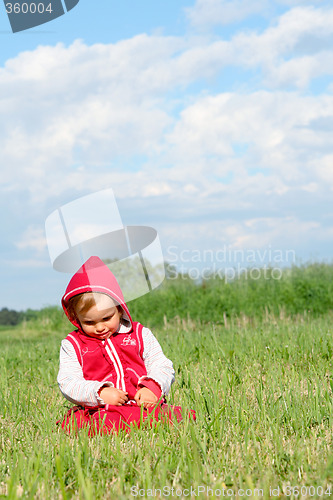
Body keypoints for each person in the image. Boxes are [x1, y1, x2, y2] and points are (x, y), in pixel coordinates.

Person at [57, 255, 190, 435]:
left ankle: (141, 421)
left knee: (177, 416)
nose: (100, 327)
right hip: (101, 409)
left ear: (119, 309)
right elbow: (68, 382)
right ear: (75, 317)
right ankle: (118, 426)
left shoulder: (139, 334)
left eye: (106, 318)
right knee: (90, 424)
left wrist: (153, 388)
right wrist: (100, 393)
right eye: (89, 322)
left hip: (143, 405)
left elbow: (162, 365)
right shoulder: (73, 344)